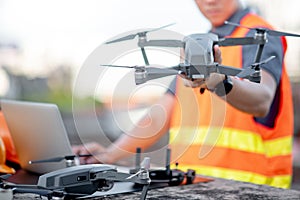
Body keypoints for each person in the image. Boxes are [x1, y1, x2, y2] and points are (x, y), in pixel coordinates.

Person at [73, 0, 294, 188]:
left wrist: (219, 81)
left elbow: (262, 100)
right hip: (192, 187)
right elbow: (160, 114)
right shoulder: (197, 45)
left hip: (250, 190)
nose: (209, 1)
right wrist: (110, 154)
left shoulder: (259, 34)